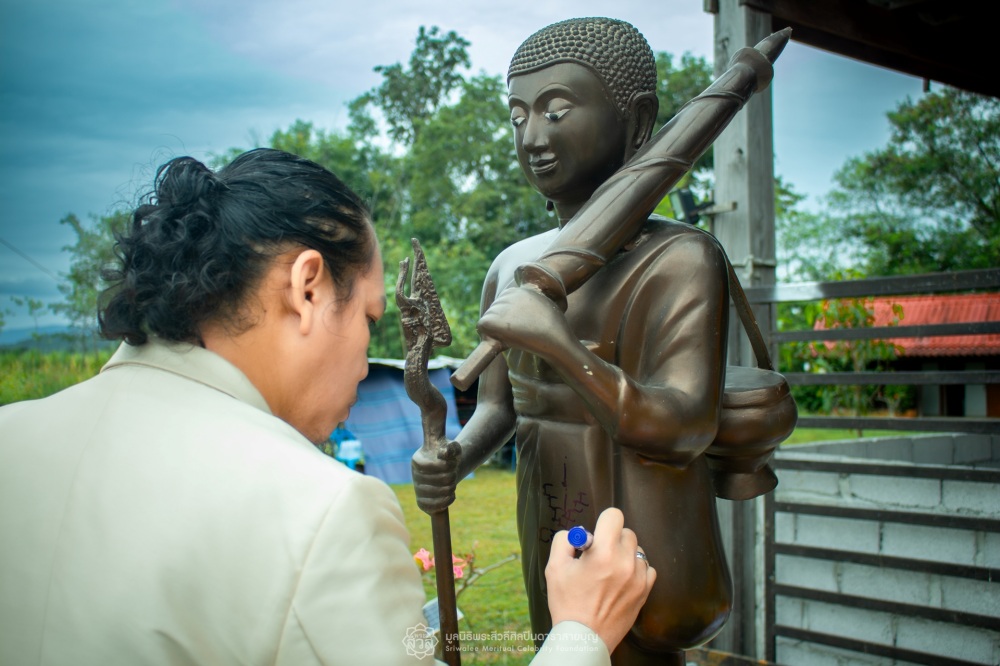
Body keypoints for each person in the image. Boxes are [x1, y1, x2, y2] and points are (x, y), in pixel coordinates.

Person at [0, 148, 654, 665]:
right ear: (307, 287)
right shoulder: (320, 513)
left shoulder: (13, 438)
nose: (367, 360)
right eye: (369, 318)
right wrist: (580, 632)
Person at [414, 18, 733, 666]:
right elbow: (502, 407)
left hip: (642, 517)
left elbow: (685, 424)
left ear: (637, 121)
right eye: (518, 116)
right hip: (547, 504)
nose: (532, 137)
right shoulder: (513, 265)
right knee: (559, 643)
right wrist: (457, 456)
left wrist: (560, 346)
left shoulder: (680, 259)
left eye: (556, 112)